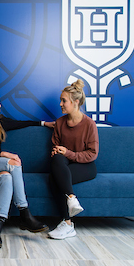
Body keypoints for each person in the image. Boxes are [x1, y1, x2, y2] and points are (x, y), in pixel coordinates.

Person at [0, 90, 54, 249]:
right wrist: (4, 154)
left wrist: (43, 123)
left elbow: (20, 123)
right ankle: (25, 213)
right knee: (13, 163)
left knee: (7, 178)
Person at [47, 79, 98, 240]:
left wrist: (68, 153)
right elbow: (55, 147)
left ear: (76, 102)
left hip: (86, 166)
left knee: (54, 179)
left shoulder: (89, 124)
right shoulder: (60, 123)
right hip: (64, 164)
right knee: (56, 162)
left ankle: (67, 224)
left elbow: (92, 154)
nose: (60, 104)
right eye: (60, 100)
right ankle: (71, 201)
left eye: (64, 101)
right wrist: (58, 151)